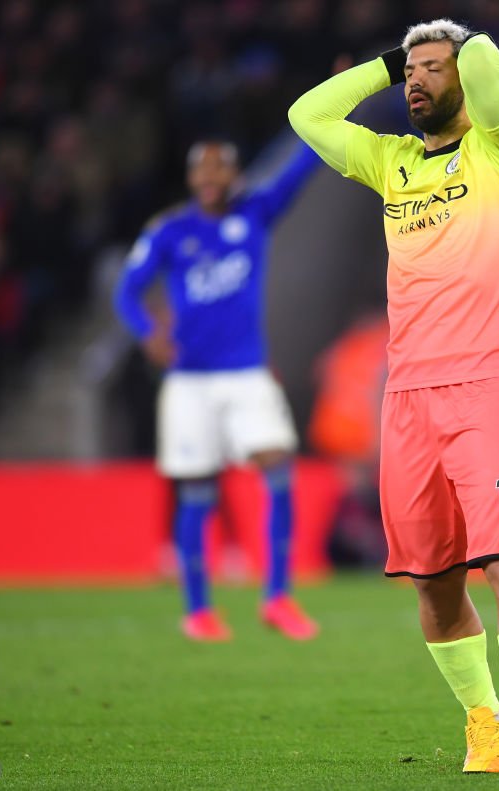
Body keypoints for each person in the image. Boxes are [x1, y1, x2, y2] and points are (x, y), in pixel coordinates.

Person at [289, 18, 499, 774]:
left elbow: (490, 61)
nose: (416, 80)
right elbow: (305, 116)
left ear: (464, 79)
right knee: (433, 586)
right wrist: (386, 62)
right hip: (406, 396)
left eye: (432, 69)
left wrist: (451, 42)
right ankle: (485, 722)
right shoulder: (390, 163)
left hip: (489, 384)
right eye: (411, 72)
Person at [114, 139, 320, 642]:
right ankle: (198, 609)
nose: (210, 179)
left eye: (219, 170)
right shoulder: (169, 231)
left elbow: (300, 171)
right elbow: (127, 291)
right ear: (190, 180)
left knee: (278, 467)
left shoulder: (255, 213)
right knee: (198, 491)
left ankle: (276, 596)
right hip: (190, 381)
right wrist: (147, 332)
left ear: (234, 176)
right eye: (202, 171)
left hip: (247, 370)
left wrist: (333, 111)